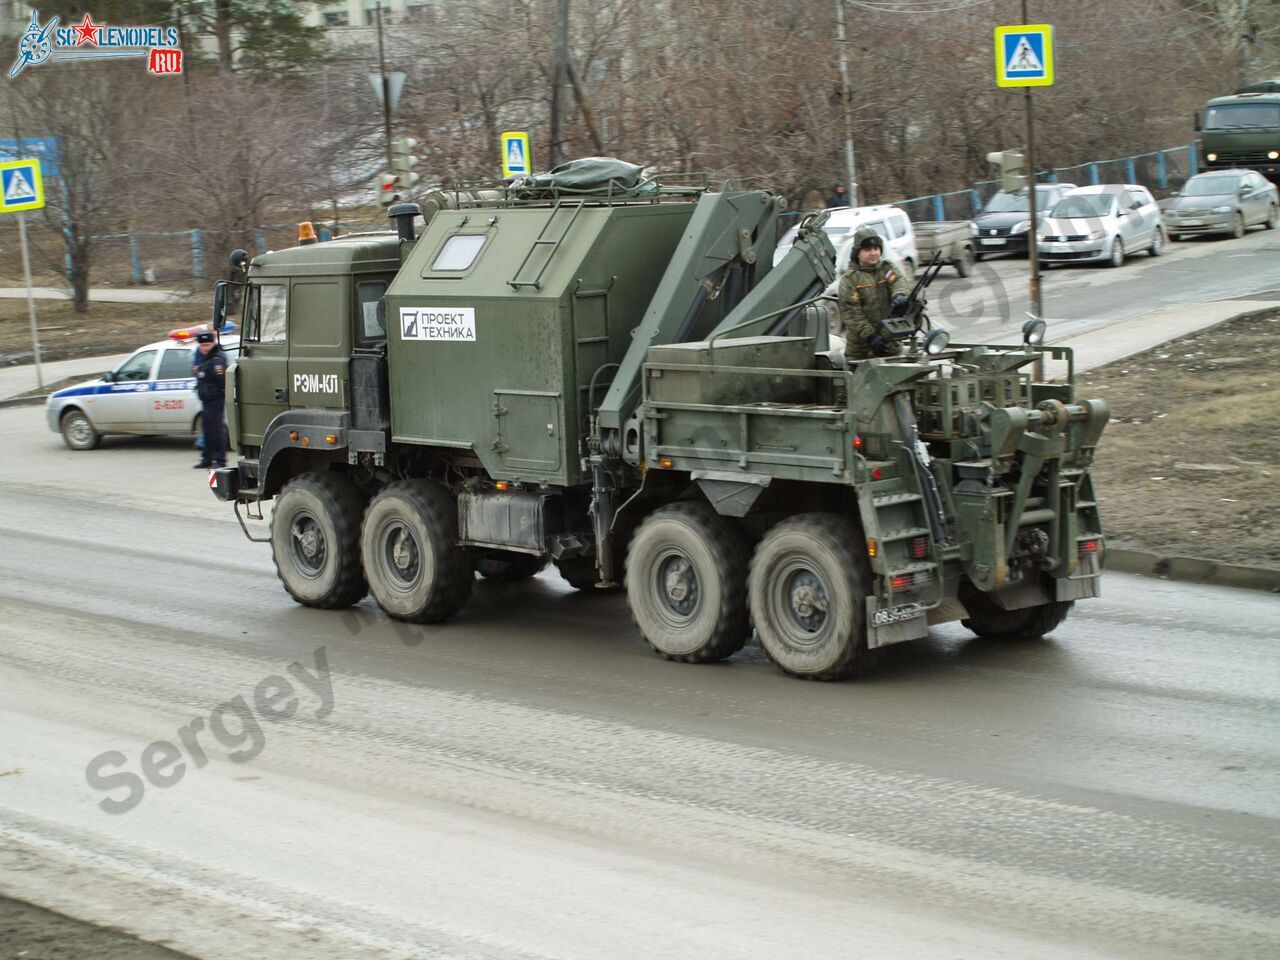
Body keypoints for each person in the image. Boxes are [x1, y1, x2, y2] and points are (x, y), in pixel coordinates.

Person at [838, 226, 912, 365]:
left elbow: (898, 281)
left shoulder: (886, 269)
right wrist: (870, 336)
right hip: (861, 352)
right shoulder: (850, 279)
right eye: (867, 250)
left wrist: (899, 295)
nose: (873, 253)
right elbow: (852, 314)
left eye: (876, 249)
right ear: (857, 253)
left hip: (891, 347)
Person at [192, 332, 228, 468]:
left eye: (207, 344)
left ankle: (220, 460)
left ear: (212, 343)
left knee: (217, 431)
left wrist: (216, 393)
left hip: (215, 400)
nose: (204, 347)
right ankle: (206, 459)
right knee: (207, 430)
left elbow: (221, 380)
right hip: (206, 400)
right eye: (202, 345)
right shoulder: (205, 357)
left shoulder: (217, 359)